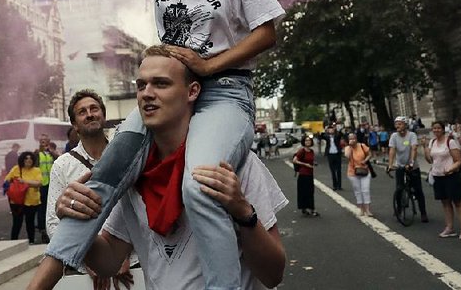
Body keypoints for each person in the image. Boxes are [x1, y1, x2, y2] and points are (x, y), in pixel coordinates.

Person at [41, 0, 285, 290]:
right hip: (171, 95)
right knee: (105, 173)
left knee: (200, 186)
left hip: (224, 93)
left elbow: (268, 32)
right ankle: (46, 277)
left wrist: (210, 66)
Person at [28, 45, 286, 290]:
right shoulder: (133, 173)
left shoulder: (232, 165)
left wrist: (243, 213)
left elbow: (273, 274)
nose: (147, 93)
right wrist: (73, 216)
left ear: (192, 91)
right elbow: (108, 261)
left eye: (161, 83)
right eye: (141, 85)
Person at [46, 89, 134, 288]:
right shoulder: (62, 165)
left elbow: (139, 210)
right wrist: (91, 260)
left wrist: (122, 255)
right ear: (75, 125)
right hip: (84, 273)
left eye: (94, 109)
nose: (90, 114)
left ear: (103, 115)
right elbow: (53, 223)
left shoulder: (126, 156)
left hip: (132, 268)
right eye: (82, 112)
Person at [421, 121, 461, 239]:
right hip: (438, 176)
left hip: (451, 176)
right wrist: (425, 147)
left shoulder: (450, 142)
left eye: (438, 128)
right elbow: (429, 160)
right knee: (445, 203)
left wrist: (450, 168)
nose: (436, 130)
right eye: (434, 128)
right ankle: (449, 228)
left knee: (457, 202)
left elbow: (458, 161)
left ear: (443, 129)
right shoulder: (432, 142)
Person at [387, 116, 428, 222]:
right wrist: (390, 164)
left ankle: (423, 212)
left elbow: (414, 149)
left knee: (418, 190)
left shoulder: (412, 135)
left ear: (405, 125)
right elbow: (392, 150)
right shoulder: (394, 136)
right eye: (396, 124)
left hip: (412, 166)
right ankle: (399, 209)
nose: (397, 126)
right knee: (399, 189)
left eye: (400, 124)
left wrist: (411, 163)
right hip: (400, 165)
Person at [5, 151, 42, 243]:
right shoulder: (16, 169)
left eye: (30, 158)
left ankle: (31, 241)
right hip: (17, 202)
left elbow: (39, 183)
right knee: (17, 223)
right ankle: (13, 242)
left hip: (32, 201)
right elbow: (6, 180)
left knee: (30, 223)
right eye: (26, 158)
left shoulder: (36, 170)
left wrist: (24, 182)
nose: (28, 160)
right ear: (22, 159)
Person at [344, 132, 373, 217]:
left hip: (365, 170)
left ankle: (367, 209)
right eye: (350, 139)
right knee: (358, 191)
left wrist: (365, 160)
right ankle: (361, 209)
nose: (352, 140)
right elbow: (347, 156)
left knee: (365, 190)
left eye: (354, 138)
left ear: (356, 139)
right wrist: (350, 147)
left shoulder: (362, 146)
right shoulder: (347, 148)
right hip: (353, 172)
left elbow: (369, 154)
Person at [35, 135, 56, 244]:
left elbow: (58, 159)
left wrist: (51, 151)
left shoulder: (51, 153)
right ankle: (43, 231)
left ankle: (52, 229)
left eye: (45, 140)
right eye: (41, 141)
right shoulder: (37, 154)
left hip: (52, 184)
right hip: (41, 185)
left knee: (52, 207)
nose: (43, 142)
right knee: (42, 209)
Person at [293, 136, 318, 217]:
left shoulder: (311, 151)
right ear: (303, 142)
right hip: (303, 174)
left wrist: (313, 163)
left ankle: (309, 208)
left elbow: (311, 160)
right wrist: (305, 164)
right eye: (306, 140)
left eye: (309, 140)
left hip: (310, 174)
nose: (308, 142)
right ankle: (308, 209)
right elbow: (295, 160)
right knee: (304, 192)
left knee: (311, 192)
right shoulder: (301, 151)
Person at [321, 125, 345, 190]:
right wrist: (324, 130)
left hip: (337, 154)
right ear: (328, 131)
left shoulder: (337, 136)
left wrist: (338, 129)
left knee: (339, 170)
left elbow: (341, 134)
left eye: (332, 129)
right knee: (333, 171)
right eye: (329, 130)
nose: (331, 130)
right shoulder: (326, 137)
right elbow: (321, 136)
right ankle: (335, 185)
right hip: (330, 155)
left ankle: (339, 186)